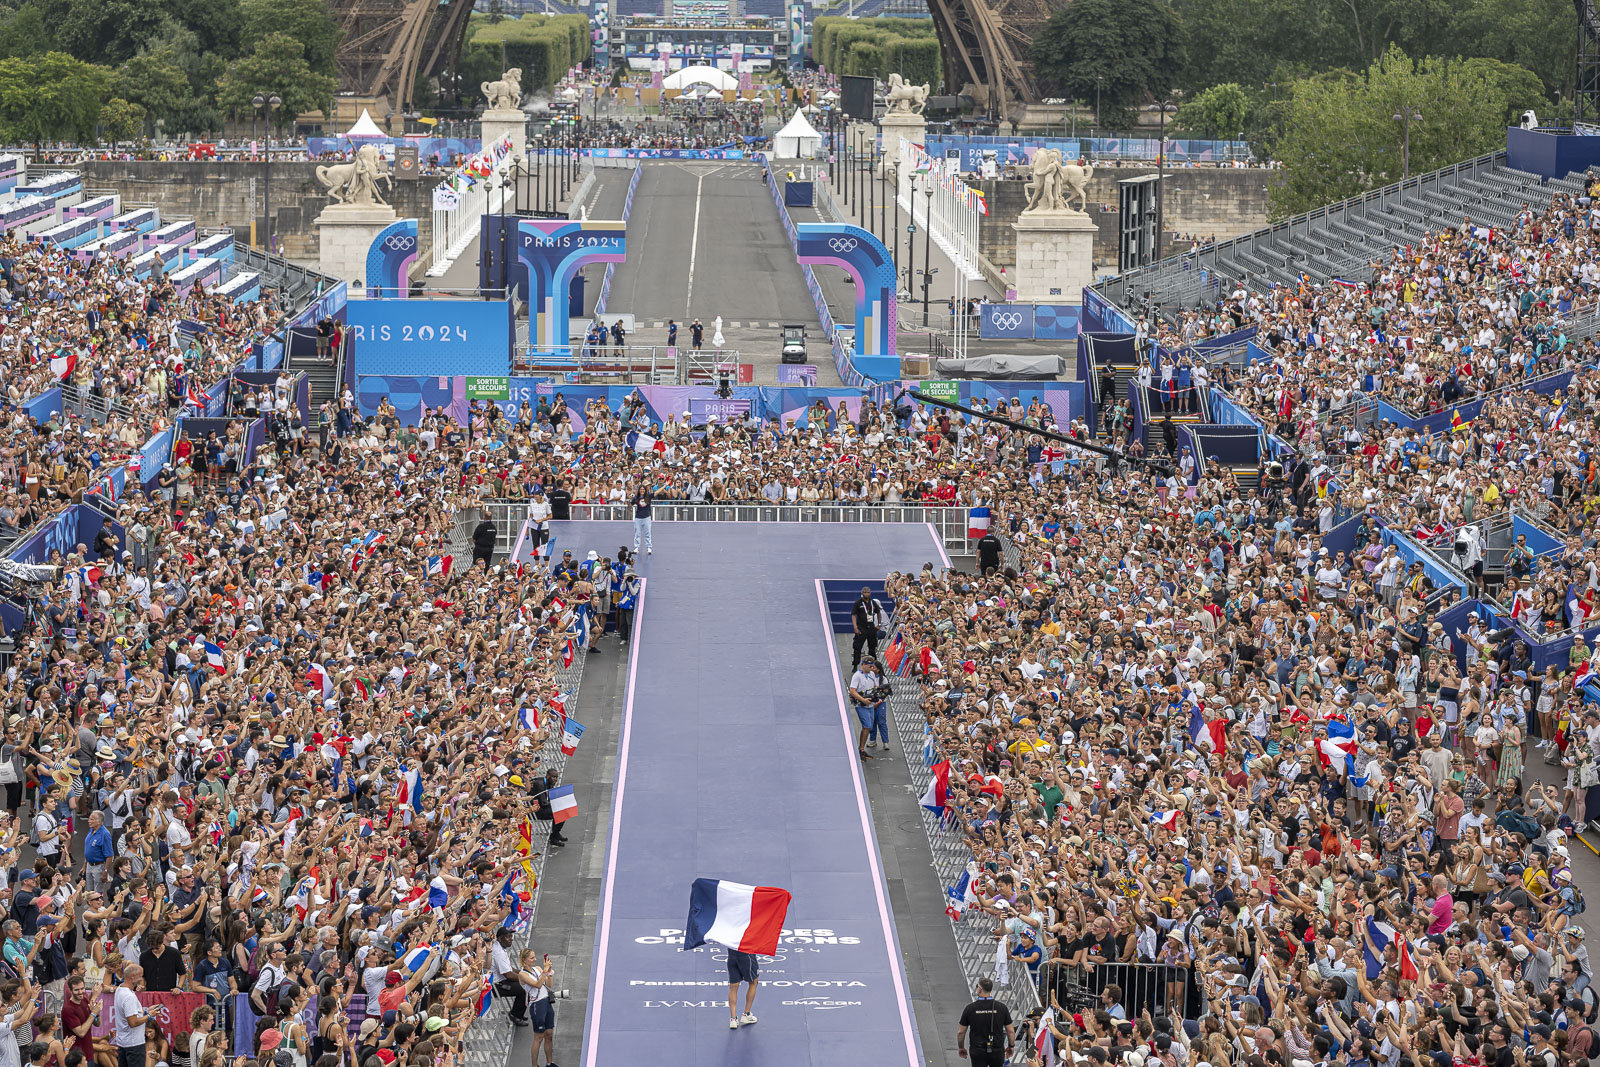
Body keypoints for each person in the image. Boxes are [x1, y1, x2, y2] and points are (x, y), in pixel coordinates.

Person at [957, 976, 1012, 1065]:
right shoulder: (1002, 1008)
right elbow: (1010, 1030)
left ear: (979, 989)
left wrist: (961, 1047)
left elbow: (961, 1032)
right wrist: (1011, 1046)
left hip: (978, 1049)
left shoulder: (970, 1008)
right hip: (997, 1049)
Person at [849, 659, 888, 760]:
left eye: (872, 667)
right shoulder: (857, 676)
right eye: (870, 666)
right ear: (864, 665)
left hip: (870, 704)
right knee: (866, 726)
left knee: (869, 726)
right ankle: (861, 749)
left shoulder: (871, 674)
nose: (872, 669)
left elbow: (875, 685)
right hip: (861, 705)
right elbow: (852, 690)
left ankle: (861, 748)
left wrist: (876, 693)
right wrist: (863, 699)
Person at [111, 964, 148, 1067]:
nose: (142, 979)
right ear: (132, 977)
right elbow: (133, 1022)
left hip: (123, 1043)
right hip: (134, 1045)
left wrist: (144, 1011)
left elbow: (128, 1013)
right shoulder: (129, 996)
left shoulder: (119, 989)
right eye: (140, 976)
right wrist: (149, 1016)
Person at [725, 949, 759, 1030]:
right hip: (746, 955)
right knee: (753, 982)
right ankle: (746, 1014)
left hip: (732, 955)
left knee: (733, 986)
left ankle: (733, 1019)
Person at [850, 586, 881, 669]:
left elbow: (878, 613)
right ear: (862, 593)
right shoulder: (858, 603)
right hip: (861, 628)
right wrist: (855, 627)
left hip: (871, 628)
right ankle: (855, 664)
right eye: (865, 592)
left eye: (868, 592)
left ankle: (873, 664)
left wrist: (879, 624)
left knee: (872, 647)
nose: (867, 594)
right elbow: (854, 615)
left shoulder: (873, 603)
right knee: (857, 647)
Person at [631, 483, 653, 555]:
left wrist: (665, 486)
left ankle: (649, 547)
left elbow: (657, 492)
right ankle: (636, 547)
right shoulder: (636, 498)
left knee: (647, 533)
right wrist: (630, 499)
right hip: (638, 518)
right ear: (639, 490)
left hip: (647, 517)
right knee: (637, 533)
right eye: (641, 489)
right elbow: (630, 504)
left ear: (645, 490)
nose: (642, 491)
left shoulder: (648, 496)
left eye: (643, 489)